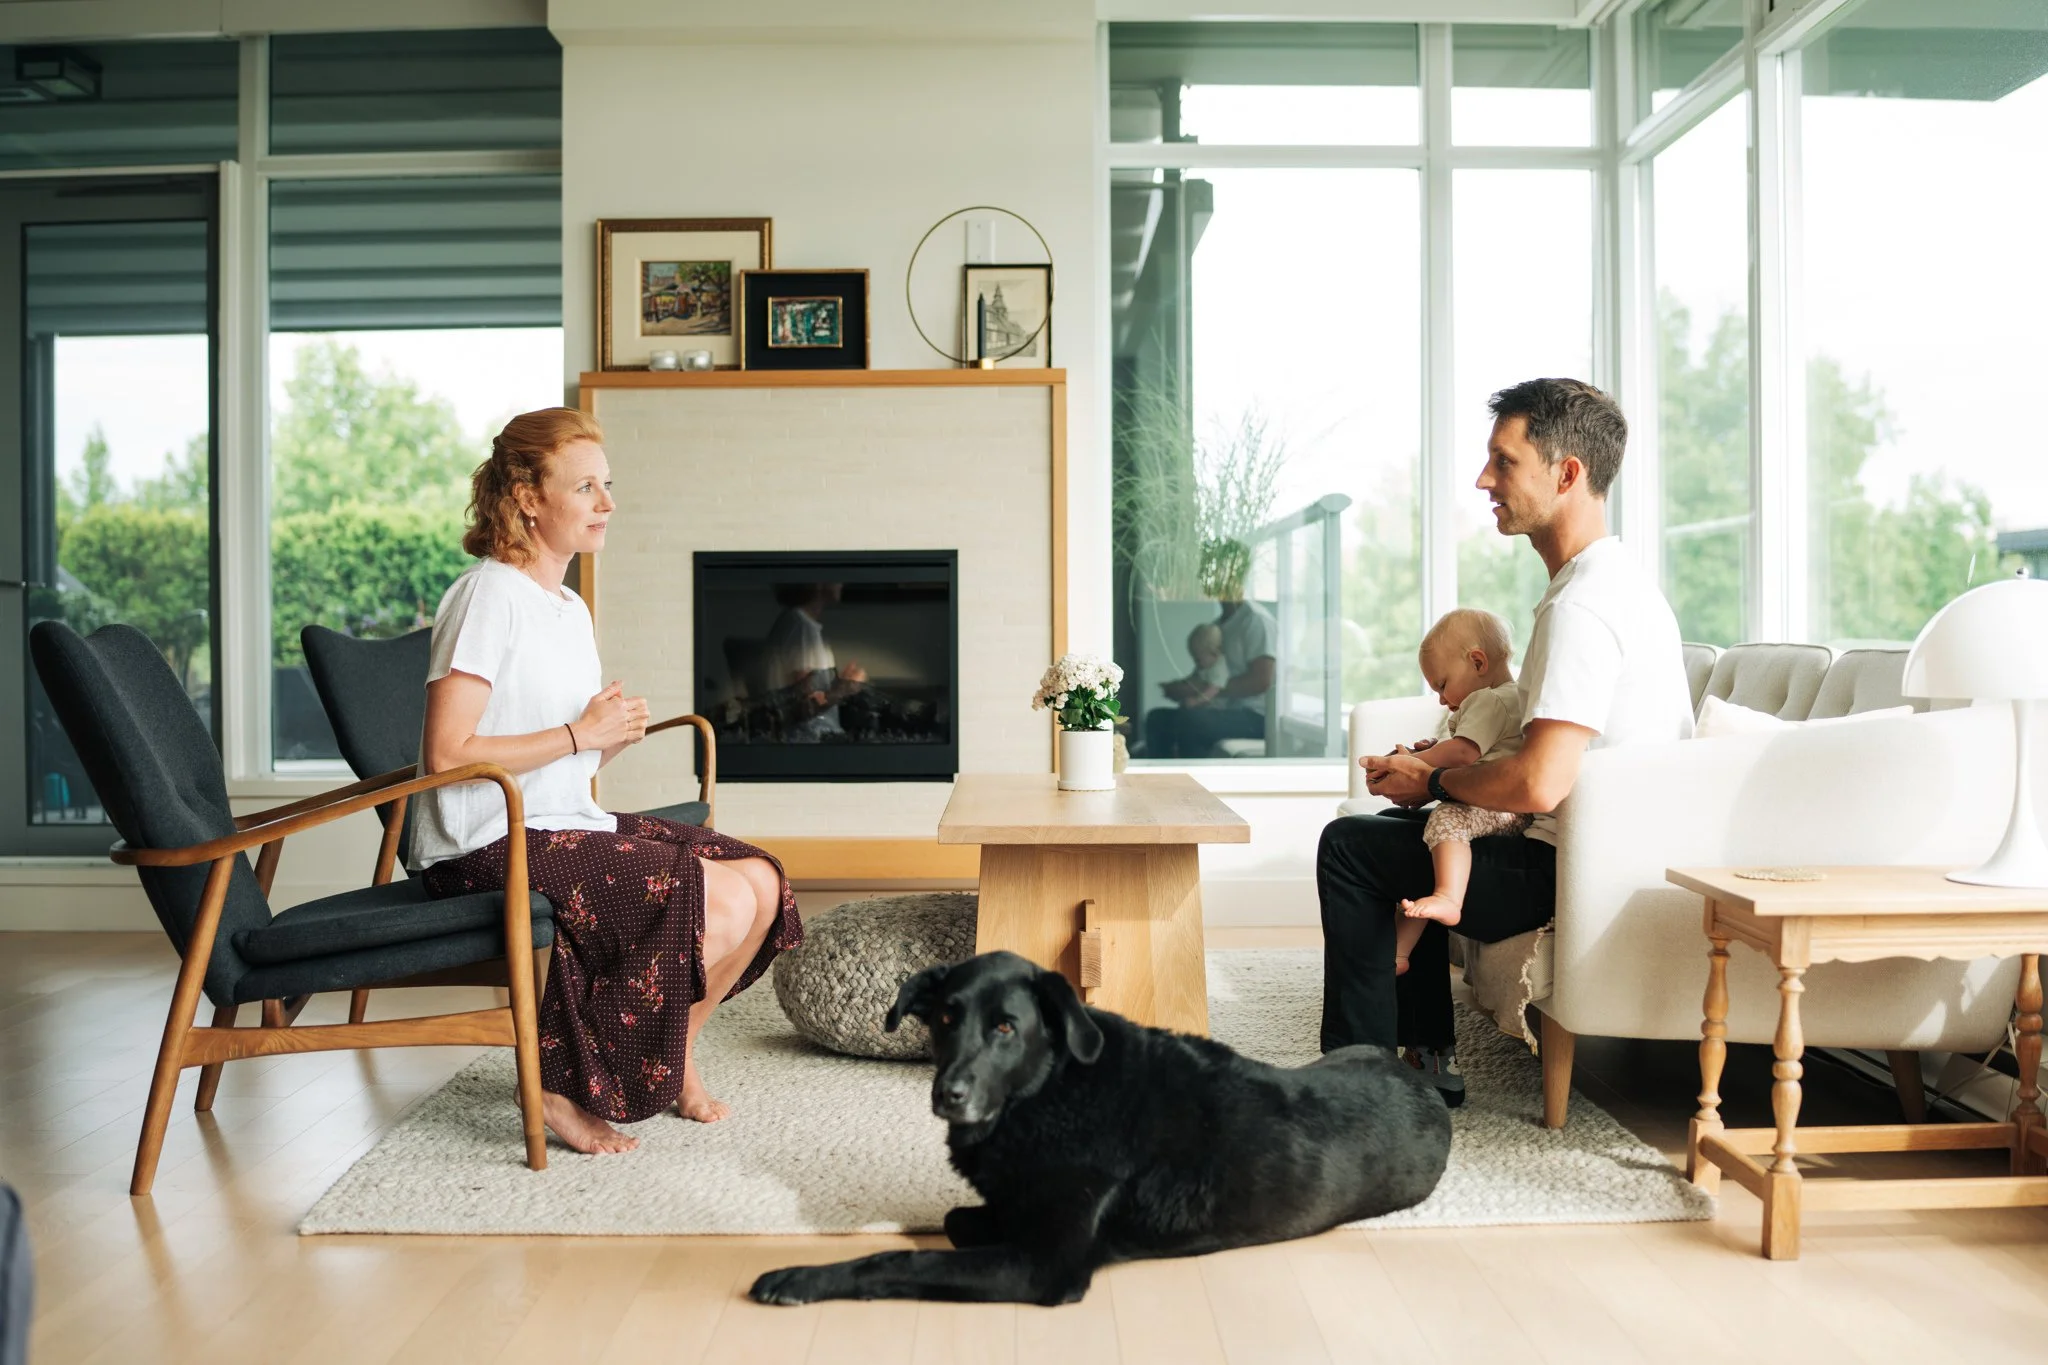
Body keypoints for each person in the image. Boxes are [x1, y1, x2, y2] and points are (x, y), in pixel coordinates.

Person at [413, 407, 803, 1155]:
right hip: (484, 844)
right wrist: (577, 734)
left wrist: (604, 741)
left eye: (608, 485)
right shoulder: (486, 595)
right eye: (586, 487)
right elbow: (446, 753)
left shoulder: (569, 608)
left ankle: (674, 1054)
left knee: (759, 879)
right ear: (528, 497)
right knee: (711, 896)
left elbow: (565, 760)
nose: (607, 504)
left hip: (560, 821)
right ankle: (555, 1080)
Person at [1318, 378, 1693, 1107]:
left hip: (1578, 868)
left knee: (1351, 847)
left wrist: (1432, 782)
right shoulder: (1605, 583)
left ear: (1567, 473)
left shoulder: (1583, 605)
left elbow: (1537, 783)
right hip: (1592, 852)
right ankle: (1425, 1058)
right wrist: (1430, 777)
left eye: (1504, 461)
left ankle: (1356, 1084)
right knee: (1398, 829)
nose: (1483, 480)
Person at [1387, 608, 1529, 978]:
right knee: (1428, 843)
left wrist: (1412, 761)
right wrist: (1435, 748)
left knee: (1446, 819)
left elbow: (1465, 753)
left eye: (1441, 685)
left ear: (1478, 662)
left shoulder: (1490, 699)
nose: (1440, 698)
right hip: (1506, 809)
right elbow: (1475, 748)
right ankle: (1399, 951)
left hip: (1500, 808)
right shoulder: (1511, 698)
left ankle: (1449, 897)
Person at [1142, 596, 1277, 758]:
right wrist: (1182, 688)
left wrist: (1202, 690)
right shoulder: (1217, 627)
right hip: (1229, 710)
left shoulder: (1256, 620)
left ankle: (1193, 773)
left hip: (1258, 717)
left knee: (1192, 721)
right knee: (1157, 719)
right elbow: (1203, 675)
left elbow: (1262, 681)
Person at [761, 582, 867, 740]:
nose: (841, 582)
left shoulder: (802, 625)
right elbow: (803, 707)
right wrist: (844, 689)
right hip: (809, 743)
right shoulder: (800, 628)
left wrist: (841, 683)